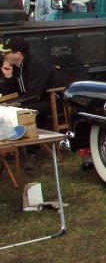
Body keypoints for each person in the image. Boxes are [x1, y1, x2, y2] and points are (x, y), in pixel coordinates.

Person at [1, 37, 62, 169]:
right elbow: (10, 95)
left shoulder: (37, 65)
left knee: (24, 112)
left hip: (52, 101)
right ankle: (9, 150)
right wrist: (8, 77)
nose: (4, 55)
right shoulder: (15, 67)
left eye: (6, 53)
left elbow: (35, 93)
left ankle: (32, 154)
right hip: (31, 100)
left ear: (18, 54)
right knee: (7, 111)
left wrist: (16, 104)